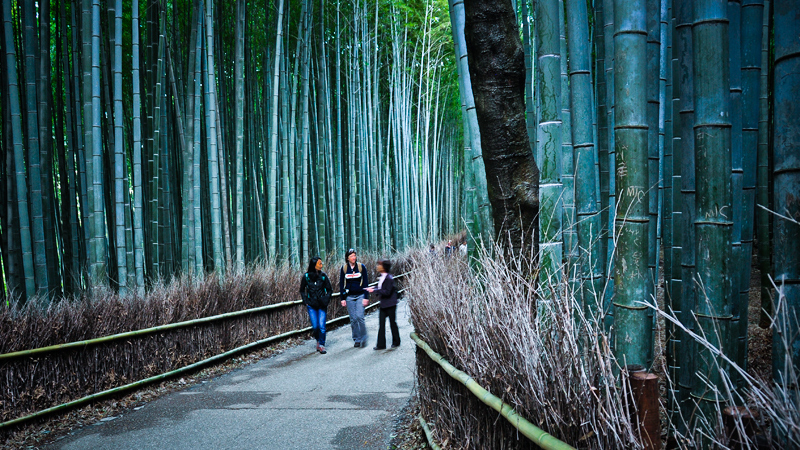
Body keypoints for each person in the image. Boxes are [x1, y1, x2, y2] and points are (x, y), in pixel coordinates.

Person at [365, 259, 401, 350]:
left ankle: (396, 341)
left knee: (393, 323)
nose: (378, 267)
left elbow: (387, 291)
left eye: (379, 265)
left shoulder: (389, 278)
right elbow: (380, 287)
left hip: (391, 304)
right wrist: (373, 288)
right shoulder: (381, 277)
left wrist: (374, 290)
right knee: (381, 324)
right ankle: (381, 344)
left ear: (384, 267)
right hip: (384, 304)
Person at [300, 257, 332, 354]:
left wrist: (326, 299)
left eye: (321, 264)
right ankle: (318, 340)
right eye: (319, 264)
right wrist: (306, 301)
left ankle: (321, 345)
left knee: (322, 326)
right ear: (314, 265)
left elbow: (329, 289)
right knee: (315, 326)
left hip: (322, 305)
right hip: (311, 305)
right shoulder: (306, 277)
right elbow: (302, 290)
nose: (321, 266)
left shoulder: (323, 276)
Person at [339, 248, 370, 347]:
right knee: (353, 319)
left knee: (360, 317)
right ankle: (357, 339)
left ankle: (364, 337)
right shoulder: (344, 268)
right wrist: (342, 298)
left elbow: (365, 283)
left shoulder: (361, 267)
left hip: (360, 295)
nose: (354, 257)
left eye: (354, 255)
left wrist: (366, 297)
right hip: (349, 297)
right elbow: (341, 284)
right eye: (351, 256)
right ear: (347, 258)